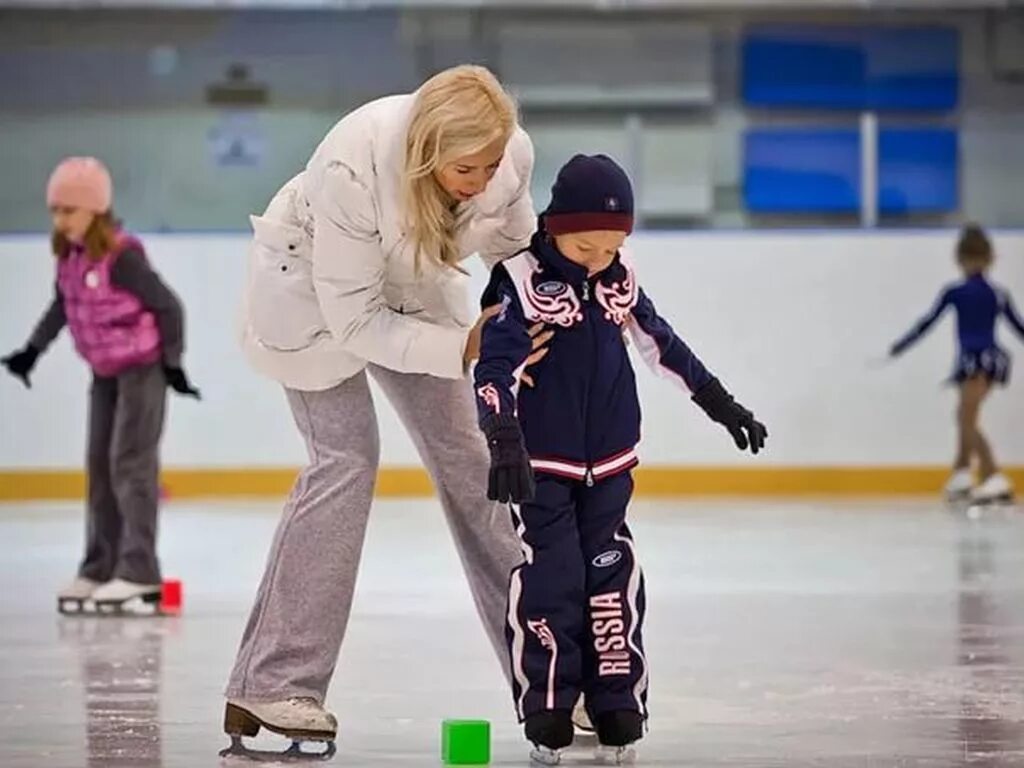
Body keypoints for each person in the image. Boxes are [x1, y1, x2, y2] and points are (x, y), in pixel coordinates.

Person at [223, 64, 550, 751]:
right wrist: (465, 346)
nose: (488, 180)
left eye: (495, 163)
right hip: (314, 291)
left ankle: (547, 673)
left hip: (415, 283)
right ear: (429, 152)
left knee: (480, 462)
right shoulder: (352, 167)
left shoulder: (508, 158)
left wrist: (540, 317)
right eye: (470, 168)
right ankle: (275, 683)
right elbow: (356, 324)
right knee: (346, 460)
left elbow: (517, 251)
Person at [473, 154, 768, 763]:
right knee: (552, 580)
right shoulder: (521, 278)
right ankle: (550, 706)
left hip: (610, 462)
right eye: (586, 247)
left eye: (611, 249)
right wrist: (503, 438)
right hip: (542, 467)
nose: (599, 260)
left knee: (610, 578)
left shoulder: (616, 278)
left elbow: (663, 345)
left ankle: (615, 701)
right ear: (556, 227)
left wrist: (722, 404)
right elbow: (494, 365)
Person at [1, 156, 198, 612]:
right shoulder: (70, 259)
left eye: (68, 210)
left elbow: (170, 307)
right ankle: (98, 567)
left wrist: (171, 364)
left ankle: (139, 570)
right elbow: (61, 307)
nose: (60, 220)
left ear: (95, 210)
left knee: (130, 464)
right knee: (99, 465)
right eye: (55, 211)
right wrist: (31, 351)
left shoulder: (122, 257)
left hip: (143, 369)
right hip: (104, 373)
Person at [889, 223, 1024, 504]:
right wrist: (901, 345)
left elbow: (926, 323)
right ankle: (962, 473)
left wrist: (901, 345)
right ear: (990, 258)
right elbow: (1019, 327)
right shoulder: (996, 293)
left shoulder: (958, 292)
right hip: (986, 360)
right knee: (965, 415)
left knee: (965, 417)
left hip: (977, 361)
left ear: (959, 259)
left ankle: (993, 474)